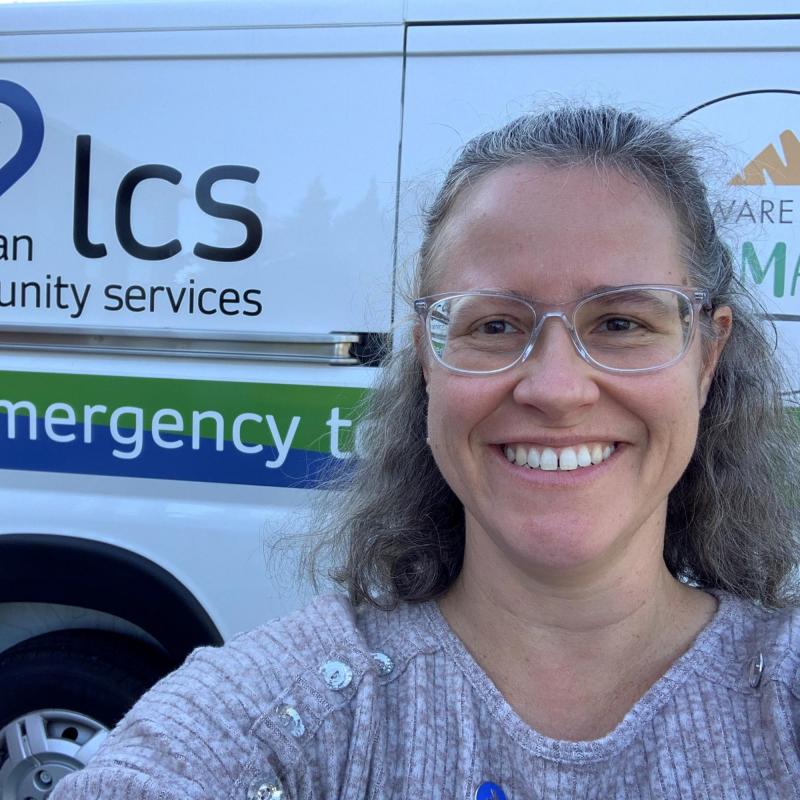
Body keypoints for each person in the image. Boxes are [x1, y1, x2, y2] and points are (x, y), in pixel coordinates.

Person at [52, 106, 800, 800]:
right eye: (495, 325)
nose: (556, 388)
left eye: (622, 323)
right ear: (428, 362)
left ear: (707, 357)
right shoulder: (284, 713)